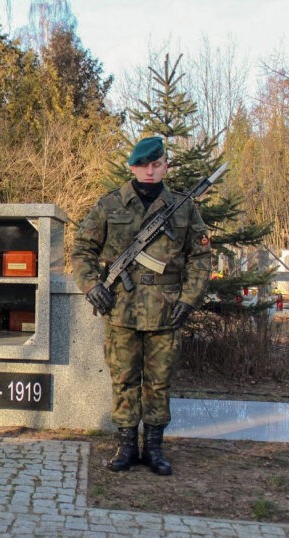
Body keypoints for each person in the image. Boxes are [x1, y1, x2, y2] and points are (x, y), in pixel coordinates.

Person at [71, 137, 211, 475]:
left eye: (156, 165)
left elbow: (201, 257)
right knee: (123, 379)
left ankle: (155, 449)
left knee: (159, 382)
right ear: (132, 167)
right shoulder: (110, 205)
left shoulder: (183, 207)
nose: (150, 171)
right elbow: (82, 250)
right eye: (143, 166)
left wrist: (189, 299)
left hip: (166, 310)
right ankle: (126, 446)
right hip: (122, 309)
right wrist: (91, 285)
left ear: (165, 167)